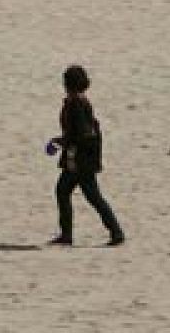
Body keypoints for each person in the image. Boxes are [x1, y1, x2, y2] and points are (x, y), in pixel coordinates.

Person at [47, 65, 125, 247]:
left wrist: (65, 147)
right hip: (82, 157)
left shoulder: (77, 104)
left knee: (88, 195)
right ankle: (68, 235)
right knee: (68, 192)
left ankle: (115, 232)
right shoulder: (78, 102)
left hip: (81, 159)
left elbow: (80, 135)